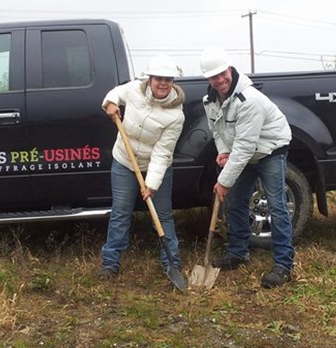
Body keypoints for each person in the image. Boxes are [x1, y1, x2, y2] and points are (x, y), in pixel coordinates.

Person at [199, 47, 295, 289]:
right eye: (214, 76)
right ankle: (238, 252)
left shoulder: (248, 100)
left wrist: (223, 182)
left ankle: (284, 264)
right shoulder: (209, 100)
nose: (220, 80)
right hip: (244, 152)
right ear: (208, 79)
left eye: (223, 73)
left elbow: (243, 149)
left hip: (270, 149)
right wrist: (222, 151)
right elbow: (217, 131)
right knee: (235, 202)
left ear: (230, 70)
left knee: (277, 205)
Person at [100, 55, 186, 279]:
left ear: (173, 82)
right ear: (150, 79)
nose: (163, 83)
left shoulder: (176, 115)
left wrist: (152, 184)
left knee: (163, 214)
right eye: (159, 78)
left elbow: (162, 152)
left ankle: (171, 262)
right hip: (125, 161)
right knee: (120, 212)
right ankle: (110, 262)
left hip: (156, 165)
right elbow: (116, 93)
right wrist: (110, 103)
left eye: (168, 79)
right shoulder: (135, 90)